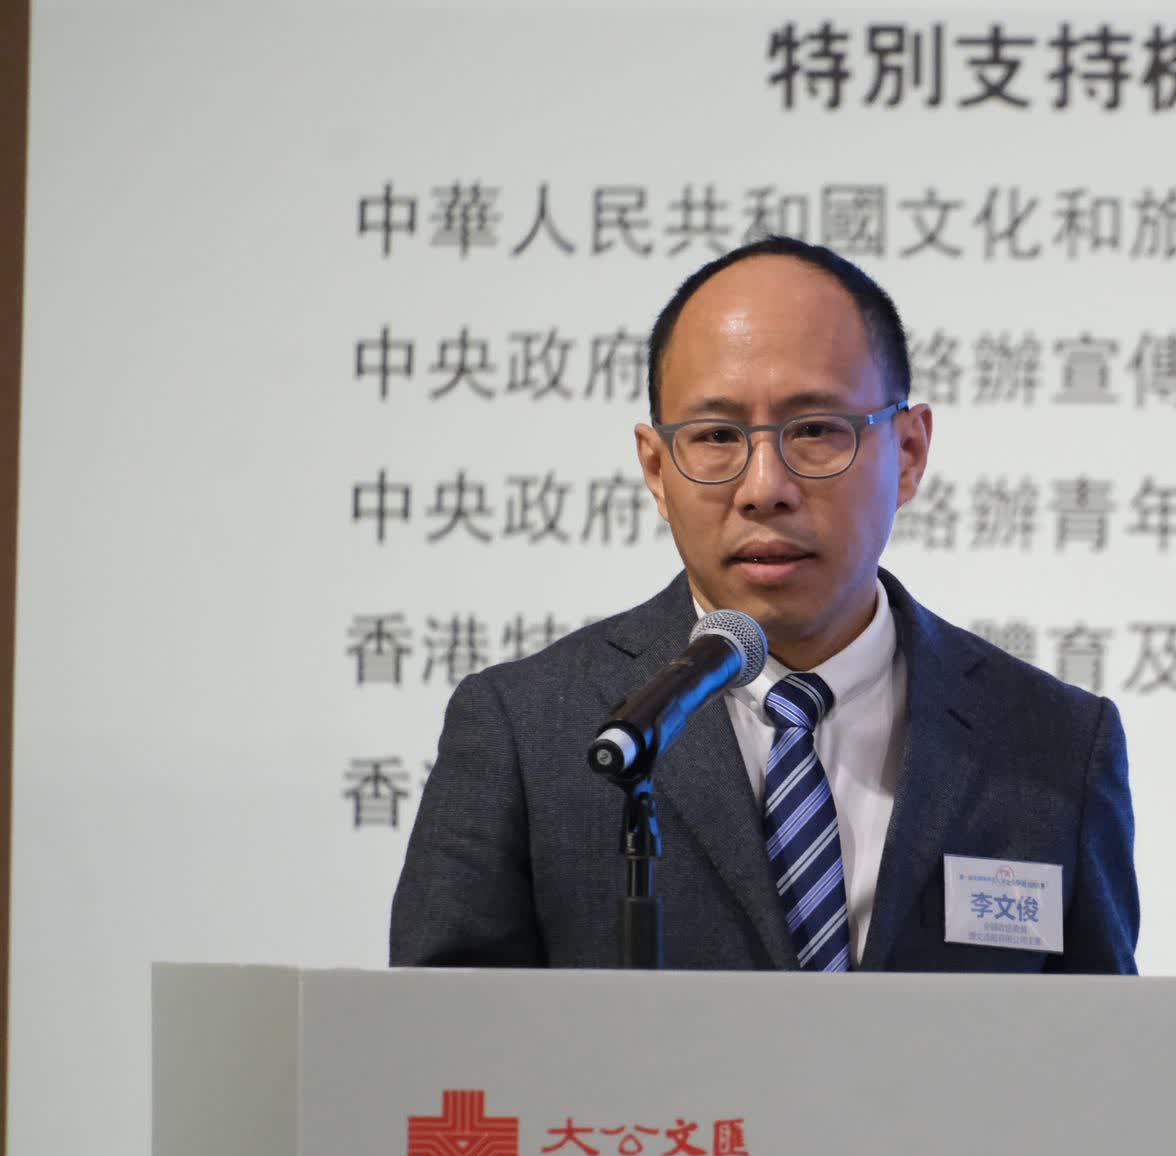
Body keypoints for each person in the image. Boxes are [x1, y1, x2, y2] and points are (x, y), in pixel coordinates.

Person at [390, 237, 1138, 972]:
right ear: (655, 468)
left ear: (909, 453)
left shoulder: (1054, 745)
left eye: (815, 430)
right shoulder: (528, 731)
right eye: (717, 436)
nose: (763, 488)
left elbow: (1097, 1043)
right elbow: (438, 1036)